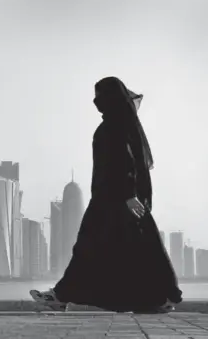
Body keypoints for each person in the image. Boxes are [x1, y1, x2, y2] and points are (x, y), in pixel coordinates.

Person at [31, 77, 183, 313]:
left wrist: (129, 195)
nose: (95, 101)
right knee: (131, 249)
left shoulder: (115, 127)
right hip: (111, 198)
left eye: (100, 95)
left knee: (92, 248)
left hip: (114, 200)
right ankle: (156, 299)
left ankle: (60, 296)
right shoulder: (117, 124)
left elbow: (125, 163)